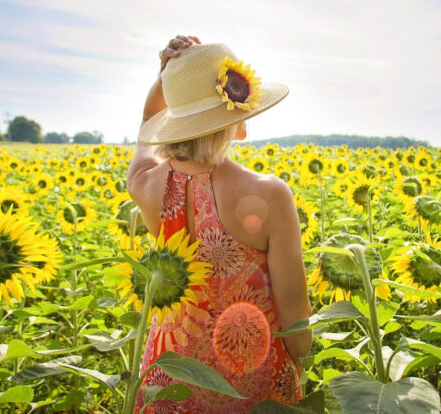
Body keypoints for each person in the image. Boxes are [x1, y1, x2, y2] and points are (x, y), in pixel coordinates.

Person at [126, 35, 312, 413]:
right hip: (251, 380)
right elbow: (293, 306)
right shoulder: (270, 194)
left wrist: (165, 80)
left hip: (170, 379)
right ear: (236, 119)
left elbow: (146, 128)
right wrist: (302, 368)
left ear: (173, 119)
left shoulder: (146, 185)